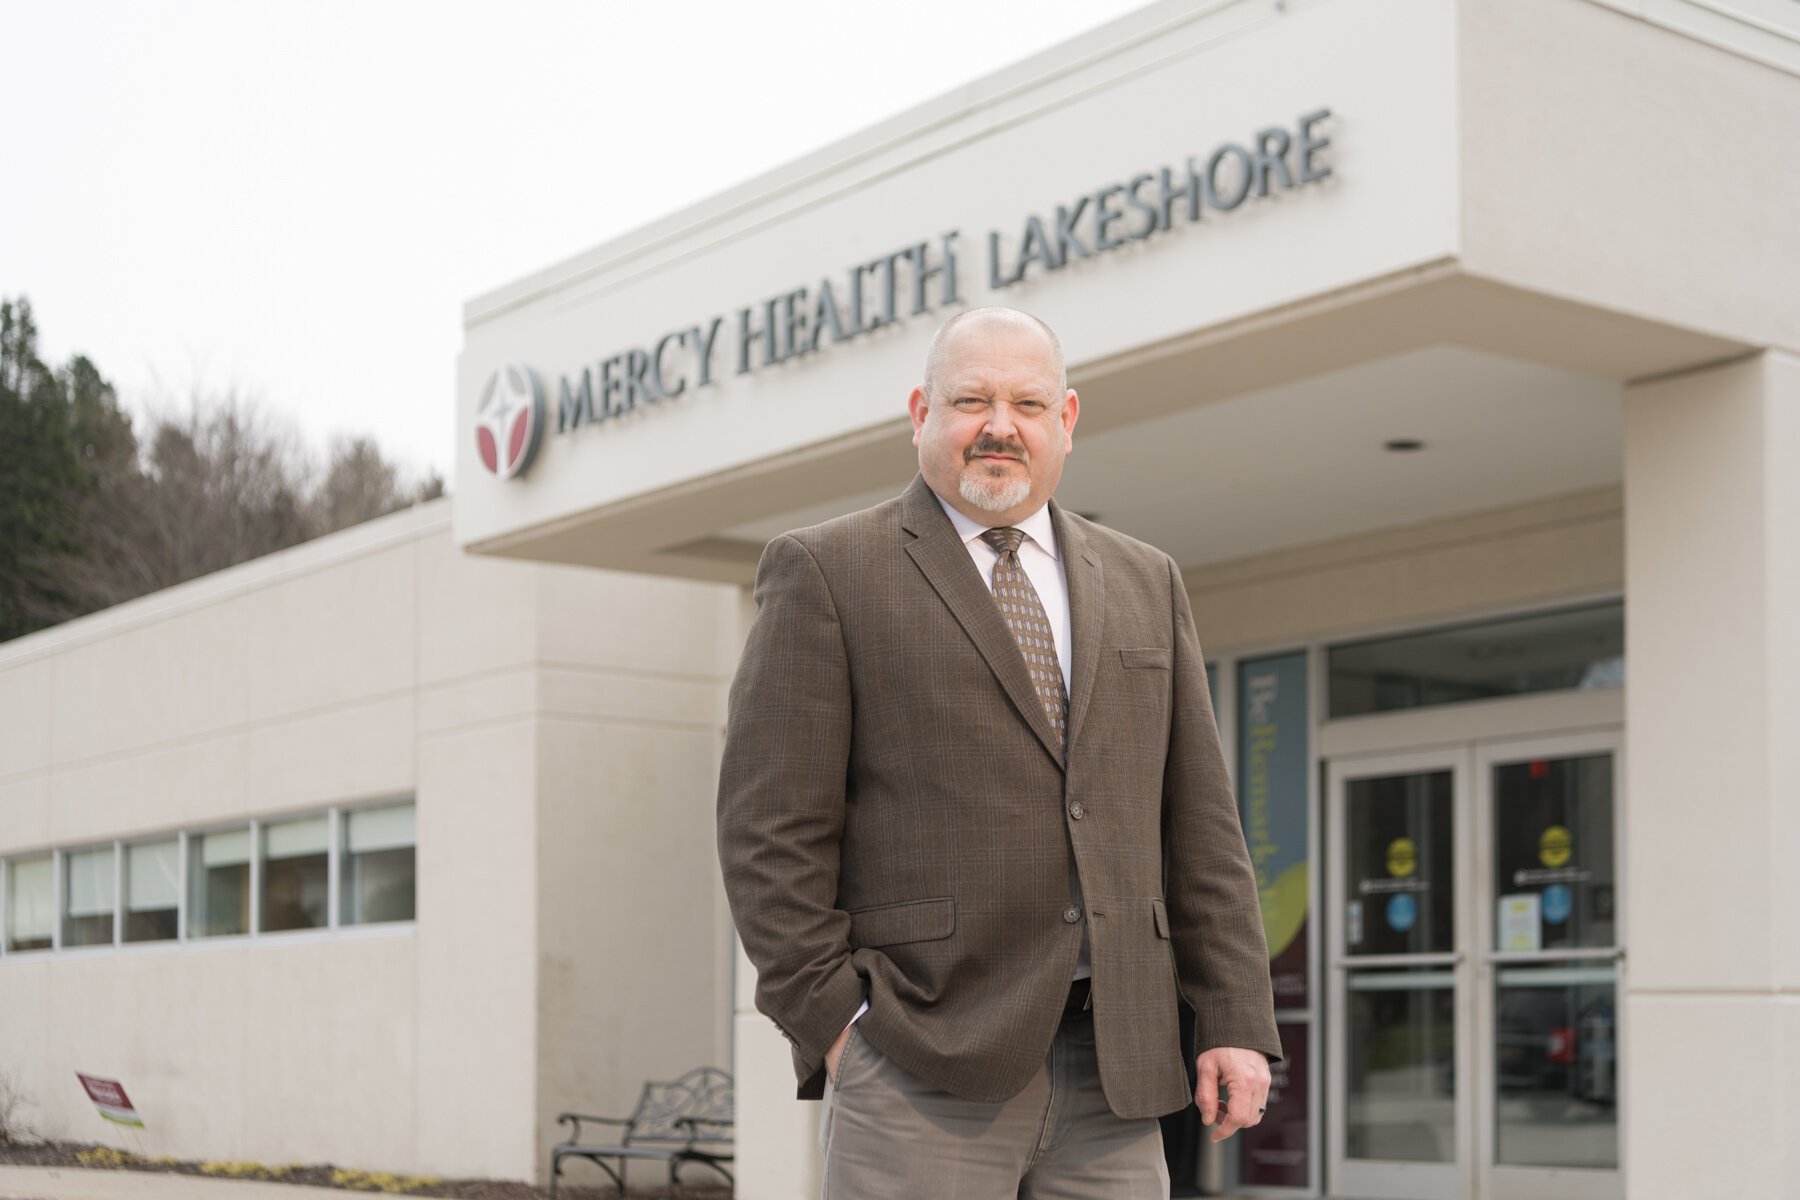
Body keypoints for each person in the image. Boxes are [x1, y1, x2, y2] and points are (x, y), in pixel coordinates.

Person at [716, 306, 1280, 1198]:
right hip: (920, 1058)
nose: (999, 426)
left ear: (1067, 421)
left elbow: (1201, 826)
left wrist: (1235, 1017)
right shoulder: (827, 571)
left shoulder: (1146, 579)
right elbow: (768, 833)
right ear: (920, 414)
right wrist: (838, 1022)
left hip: (1121, 1068)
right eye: (970, 399)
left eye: (1026, 402)